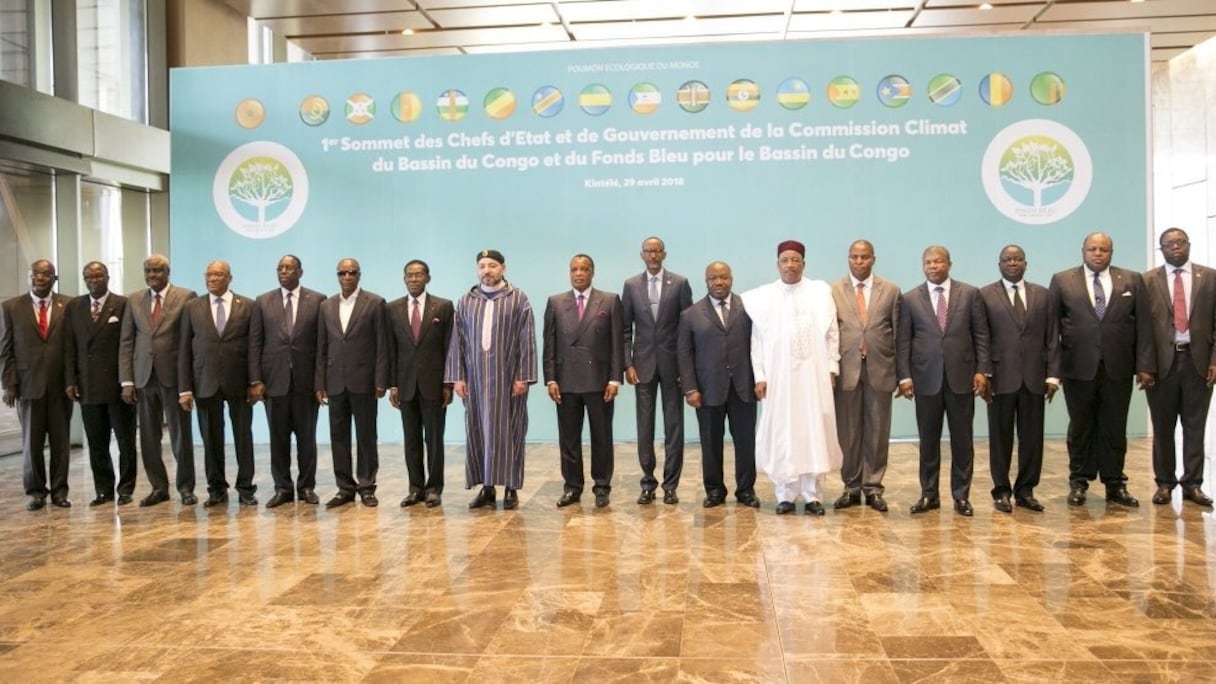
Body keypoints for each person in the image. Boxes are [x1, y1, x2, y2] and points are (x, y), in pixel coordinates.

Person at [1049, 232, 1154, 508]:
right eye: (1092, 249)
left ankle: (1115, 484)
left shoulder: (1132, 280)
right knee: (1081, 426)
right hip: (1077, 367)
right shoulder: (1062, 280)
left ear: (1112, 252)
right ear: (1082, 251)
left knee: (1114, 427)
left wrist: (1144, 365)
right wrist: (1053, 370)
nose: (1098, 254)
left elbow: (1144, 326)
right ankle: (1079, 482)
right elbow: (1052, 330)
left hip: (1118, 366)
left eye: (1103, 249)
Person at [742, 240, 842, 515]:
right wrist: (760, 375)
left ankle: (813, 495)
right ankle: (785, 494)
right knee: (784, 431)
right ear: (778, 264)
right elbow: (757, 342)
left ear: (803, 264)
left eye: (795, 260)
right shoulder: (763, 297)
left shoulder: (820, 292)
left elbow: (832, 332)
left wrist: (832, 367)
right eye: (785, 260)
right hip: (779, 378)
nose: (790, 265)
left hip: (813, 376)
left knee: (813, 431)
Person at [897, 245, 991, 517]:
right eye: (928, 262)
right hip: (925, 380)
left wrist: (982, 370)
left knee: (963, 441)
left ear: (949, 264)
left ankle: (961, 496)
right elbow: (903, 341)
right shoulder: (910, 298)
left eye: (938, 261)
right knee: (928, 441)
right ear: (922, 265)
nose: (933, 266)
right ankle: (929, 495)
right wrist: (904, 376)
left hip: (962, 378)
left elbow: (981, 335)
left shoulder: (970, 294)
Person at [445, 249, 537, 510]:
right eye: (482, 266)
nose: (487, 270)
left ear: (503, 269)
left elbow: (526, 339)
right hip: (475, 381)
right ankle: (486, 488)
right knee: (478, 432)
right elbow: (457, 341)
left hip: (509, 382)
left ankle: (511, 489)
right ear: (477, 270)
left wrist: (524, 377)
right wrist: (458, 377)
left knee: (511, 431)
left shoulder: (518, 299)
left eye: (492, 265)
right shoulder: (466, 301)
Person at [979, 245, 1060, 513]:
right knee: (1000, 438)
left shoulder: (1043, 295)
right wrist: (984, 373)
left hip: (1035, 378)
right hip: (1000, 379)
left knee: (1032, 438)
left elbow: (1052, 338)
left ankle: (1026, 490)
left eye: (1017, 259)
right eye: (1007, 260)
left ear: (1026, 263)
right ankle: (1001, 490)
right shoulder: (985, 295)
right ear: (998, 264)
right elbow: (982, 338)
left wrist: (1053, 376)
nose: (1012, 263)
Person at [677, 261, 760, 509]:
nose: (719, 282)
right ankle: (714, 491)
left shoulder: (748, 309)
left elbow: (759, 346)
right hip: (707, 390)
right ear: (706, 281)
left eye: (723, 277)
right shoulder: (690, 314)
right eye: (713, 278)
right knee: (710, 443)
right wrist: (690, 388)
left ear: (731, 279)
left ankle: (746, 490)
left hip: (743, 388)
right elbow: (684, 354)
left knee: (745, 442)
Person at [544, 254, 624, 509]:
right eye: (574, 269)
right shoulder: (556, 302)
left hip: (599, 382)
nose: (578, 273)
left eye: (584, 269)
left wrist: (615, 378)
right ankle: (572, 487)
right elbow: (549, 344)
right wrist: (550, 379)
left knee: (601, 436)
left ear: (592, 272)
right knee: (568, 438)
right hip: (565, 381)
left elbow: (617, 343)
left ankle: (602, 486)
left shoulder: (609, 301)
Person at [1143, 228, 1216, 507]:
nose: (1175, 247)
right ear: (1161, 248)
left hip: (1198, 363)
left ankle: (1193, 484)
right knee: (1162, 426)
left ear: (1189, 245)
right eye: (1168, 243)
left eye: (1180, 242)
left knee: (1194, 426)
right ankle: (1164, 483)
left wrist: (1214, 360)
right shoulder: (1147, 280)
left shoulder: (1210, 277)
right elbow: (1143, 330)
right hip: (1162, 366)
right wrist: (1145, 366)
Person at [178, 260, 257, 508]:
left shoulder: (248, 306)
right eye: (209, 274)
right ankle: (216, 489)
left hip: (239, 383)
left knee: (243, 437)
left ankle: (245, 488)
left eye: (218, 275)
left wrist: (255, 382)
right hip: (205, 382)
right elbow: (184, 350)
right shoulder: (192, 307)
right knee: (211, 439)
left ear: (229, 278)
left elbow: (254, 348)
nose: (212, 279)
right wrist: (185, 388)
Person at [120, 254, 197, 506]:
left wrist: (187, 384)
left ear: (167, 272)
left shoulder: (186, 297)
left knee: (180, 435)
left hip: (173, 376)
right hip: (143, 378)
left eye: (157, 270)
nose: (152, 275)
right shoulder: (133, 300)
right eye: (148, 271)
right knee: (149, 437)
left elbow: (189, 341)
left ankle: (186, 487)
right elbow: (127, 341)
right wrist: (127, 381)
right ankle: (158, 487)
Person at [621, 237, 693, 505]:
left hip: (673, 367)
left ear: (664, 254)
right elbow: (625, 329)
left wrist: (686, 369)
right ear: (642, 255)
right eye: (648, 251)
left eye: (657, 251)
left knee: (674, 427)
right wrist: (627, 364)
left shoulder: (680, 283)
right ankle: (648, 482)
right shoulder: (631, 285)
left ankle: (671, 484)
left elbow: (688, 328)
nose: (652, 255)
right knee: (645, 427)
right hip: (642, 367)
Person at [830, 240, 900, 513]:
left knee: (878, 431)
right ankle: (850, 486)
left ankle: (872, 487)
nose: (859, 262)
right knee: (848, 433)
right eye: (854, 257)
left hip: (880, 370)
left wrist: (901, 373)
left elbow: (899, 333)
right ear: (848, 259)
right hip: (846, 371)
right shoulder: (833, 290)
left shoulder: (891, 290)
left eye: (864, 257)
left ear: (873, 259)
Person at [249, 255, 324, 508]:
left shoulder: (317, 300)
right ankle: (282, 487)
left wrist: (319, 382)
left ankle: (306, 487)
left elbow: (322, 346)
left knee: (307, 438)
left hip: (305, 383)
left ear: (300, 272)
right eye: (280, 267)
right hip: (274, 382)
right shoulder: (263, 301)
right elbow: (256, 343)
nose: (284, 271)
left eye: (289, 268)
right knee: (278, 438)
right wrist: (256, 380)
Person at [316, 257, 388, 508]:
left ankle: (367, 486)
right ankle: (344, 487)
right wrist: (320, 383)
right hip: (335, 382)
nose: (346, 277)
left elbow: (382, 345)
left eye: (351, 272)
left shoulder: (375, 303)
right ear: (337, 276)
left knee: (366, 435)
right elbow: (322, 347)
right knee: (338, 436)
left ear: (359, 274)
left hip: (364, 382)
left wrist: (381, 380)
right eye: (342, 273)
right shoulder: (326, 306)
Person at [1, 259, 73, 510]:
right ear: (29, 277)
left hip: (60, 387)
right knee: (31, 444)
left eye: (45, 274)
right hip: (27, 386)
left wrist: (72, 381)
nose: (38, 278)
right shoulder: (11, 307)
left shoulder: (69, 305)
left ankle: (60, 491)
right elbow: (5, 349)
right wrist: (8, 383)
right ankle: (36, 492)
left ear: (54, 278)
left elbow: (71, 348)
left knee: (61, 443)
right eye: (34, 274)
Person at [64, 261, 137, 506]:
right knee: (97, 442)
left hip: (118, 386)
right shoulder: (75, 306)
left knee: (126, 441)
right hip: (88, 386)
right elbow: (69, 346)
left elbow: (130, 345)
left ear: (108, 277)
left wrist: (129, 381)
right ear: (84, 280)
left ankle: (125, 489)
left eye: (98, 275)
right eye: (89, 277)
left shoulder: (123, 304)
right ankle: (103, 490)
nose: (94, 280)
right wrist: (70, 380)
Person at [388, 259, 454, 509]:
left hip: (434, 386)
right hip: (405, 385)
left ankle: (434, 488)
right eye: (409, 275)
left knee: (434, 440)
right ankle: (415, 488)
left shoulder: (443, 307)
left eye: (418, 275)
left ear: (428, 278)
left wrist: (448, 383)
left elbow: (450, 348)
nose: (414, 279)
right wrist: (392, 384)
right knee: (411, 439)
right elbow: (391, 350)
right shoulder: (392, 309)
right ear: (404, 279)